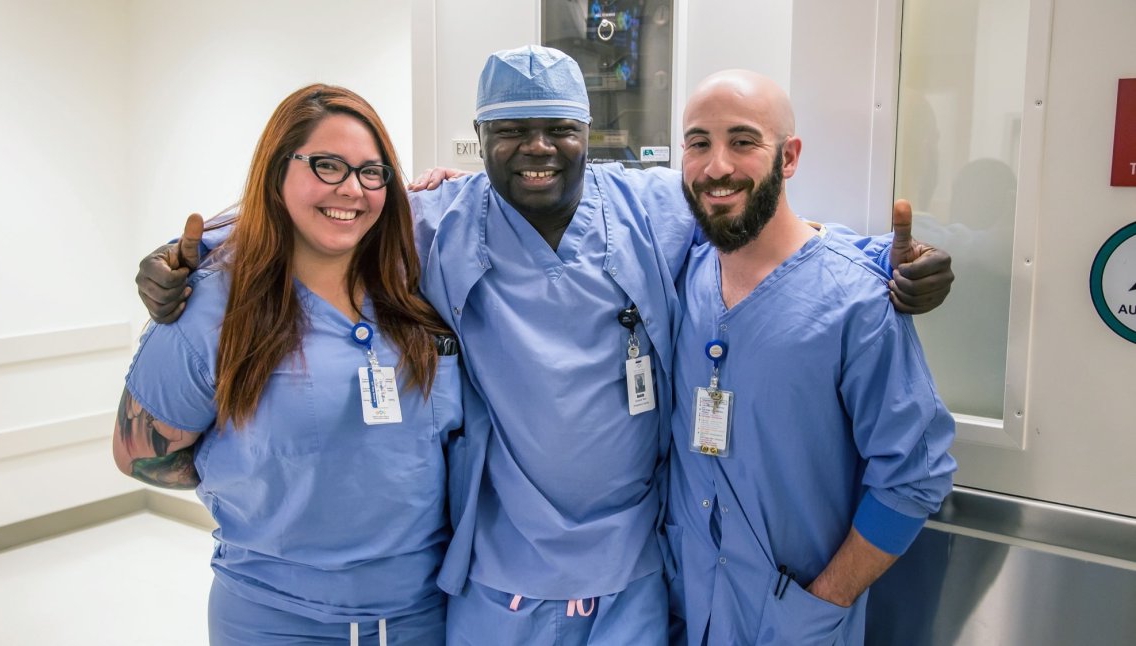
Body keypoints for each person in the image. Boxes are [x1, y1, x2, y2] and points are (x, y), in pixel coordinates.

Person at [135, 46, 955, 645]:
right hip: (503, 576)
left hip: (633, 571)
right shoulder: (438, 220)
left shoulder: (650, 208)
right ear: (480, 138)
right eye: (510, 130)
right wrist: (200, 247)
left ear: (587, 133)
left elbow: (755, 222)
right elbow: (322, 208)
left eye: (557, 128)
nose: (536, 147)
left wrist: (887, 258)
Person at [113, 84, 464, 645]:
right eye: (327, 165)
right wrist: (257, 484)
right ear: (278, 171)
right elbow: (141, 457)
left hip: (422, 616)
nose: (351, 189)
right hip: (274, 618)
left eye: (372, 172)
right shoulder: (209, 306)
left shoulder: (417, 283)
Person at [665, 70, 957, 645]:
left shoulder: (857, 300)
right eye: (699, 142)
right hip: (687, 605)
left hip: (795, 620)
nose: (717, 165)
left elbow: (914, 478)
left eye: (743, 141)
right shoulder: (683, 271)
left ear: (789, 157)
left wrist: (824, 602)